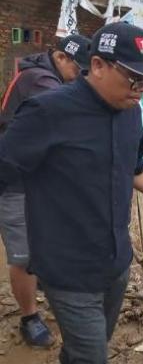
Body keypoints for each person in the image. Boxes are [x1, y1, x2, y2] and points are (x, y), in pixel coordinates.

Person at [0, 22, 143, 364]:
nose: (140, 89)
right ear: (97, 66)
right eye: (133, 78)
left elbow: (135, 167)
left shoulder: (131, 114)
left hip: (115, 264)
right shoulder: (48, 112)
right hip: (68, 268)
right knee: (92, 357)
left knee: (89, 348)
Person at [0, 34, 91, 348]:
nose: (80, 77)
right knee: (23, 252)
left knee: (47, 240)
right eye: (79, 70)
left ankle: (43, 291)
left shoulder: (49, 76)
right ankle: (29, 317)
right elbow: (67, 114)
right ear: (62, 57)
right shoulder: (40, 81)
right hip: (15, 178)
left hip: (39, 179)